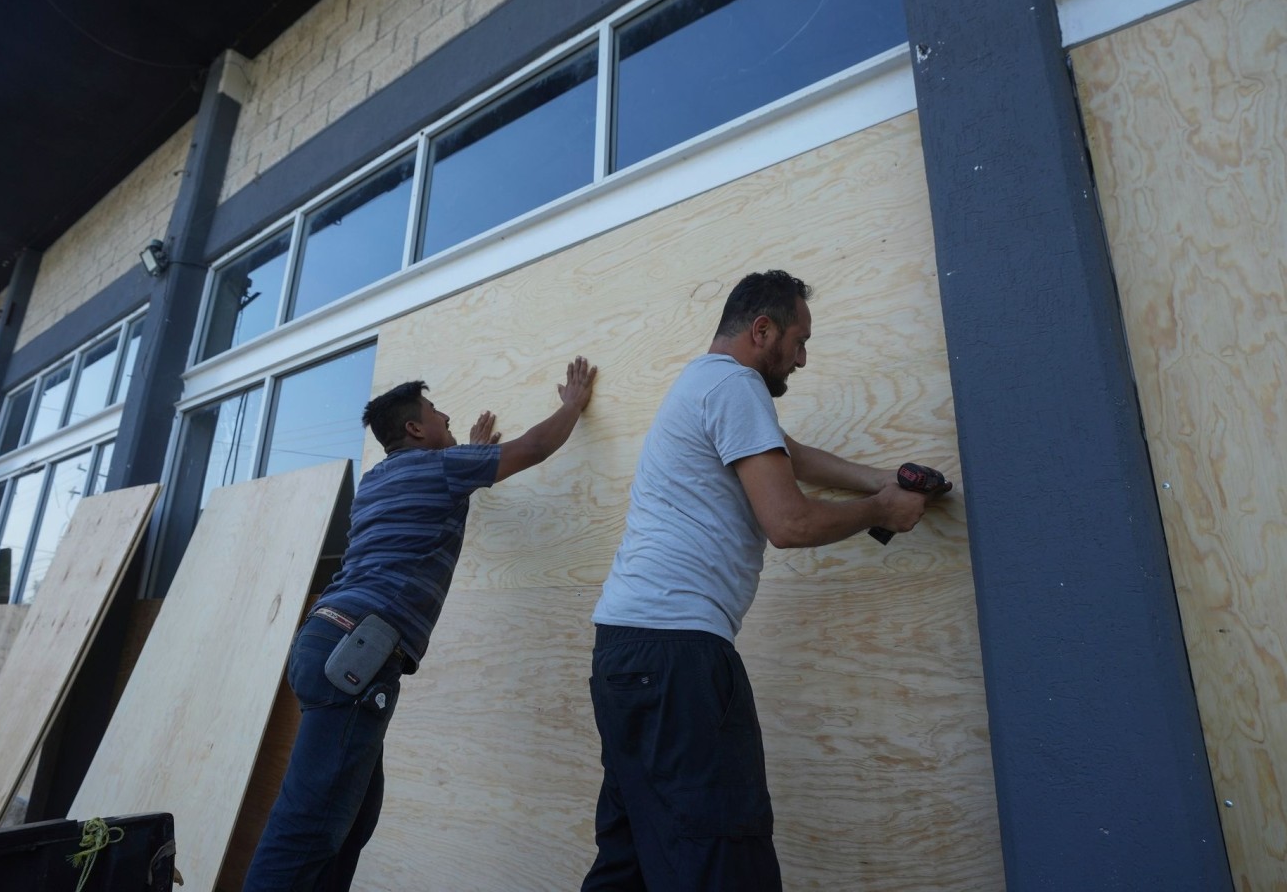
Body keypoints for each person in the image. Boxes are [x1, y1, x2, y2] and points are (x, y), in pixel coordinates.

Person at [582, 270, 951, 891]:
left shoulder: (702, 383)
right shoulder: (736, 384)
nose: (803, 358)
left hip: (624, 652)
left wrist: (887, 479)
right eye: (799, 341)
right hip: (680, 657)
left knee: (632, 860)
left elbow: (791, 454)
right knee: (722, 857)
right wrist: (882, 513)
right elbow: (789, 522)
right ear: (763, 330)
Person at [244, 357, 597, 891]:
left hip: (327, 640)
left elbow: (438, 488)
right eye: (435, 411)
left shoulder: (379, 479)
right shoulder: (442, 469)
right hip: (355, 654)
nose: (446, 413)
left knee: (353, 816)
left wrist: (467, 451)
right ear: (414, 428)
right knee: (310, 827)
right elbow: (531, 449)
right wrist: (571, 405)